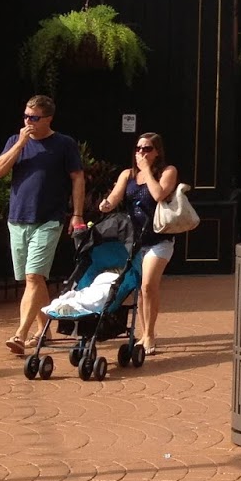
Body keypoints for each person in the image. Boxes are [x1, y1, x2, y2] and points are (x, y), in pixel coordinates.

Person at [0, 95, 85, 356]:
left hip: (48, 219)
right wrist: (20, 143)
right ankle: (46, 331)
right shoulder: (15, 141)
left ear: (48, 119)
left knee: (34, 277)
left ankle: (20, 334)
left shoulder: (64, 144)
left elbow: (78, 178)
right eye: (25, 116)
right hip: (17, 219)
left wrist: (77, 214)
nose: (28, 122)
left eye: (34, 118)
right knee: (33, 279)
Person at [95, 131, 179, 354]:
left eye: (147, 149)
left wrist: (146, 171)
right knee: (141, 290)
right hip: (137, 240)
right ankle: (144, 333)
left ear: (157, 152)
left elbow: (159, 194)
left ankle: (150, 335)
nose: (141, 152)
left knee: (149, 285)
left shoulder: (167, 171)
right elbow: (114, 197)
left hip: (160, 239)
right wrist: (106, 204)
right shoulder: (127, 174)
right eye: (138, 148)